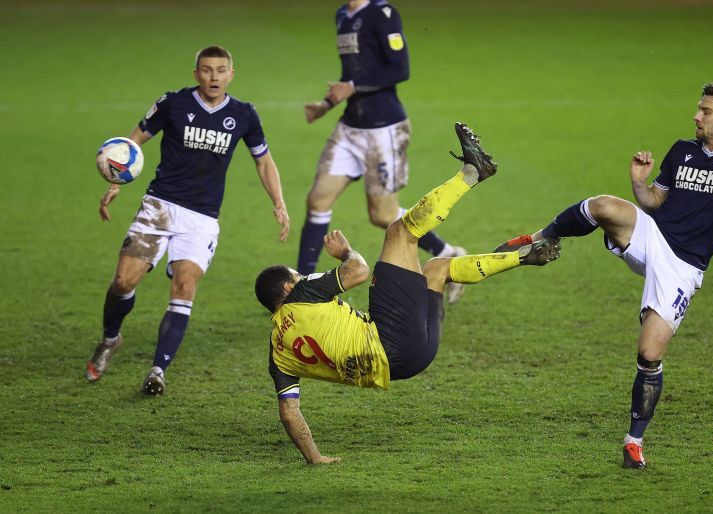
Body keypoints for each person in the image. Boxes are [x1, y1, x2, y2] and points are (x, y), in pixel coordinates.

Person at [495, 83, 713, 468]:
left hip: (683, 266)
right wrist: (637, 183)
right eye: (698, 109)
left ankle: (634, 443)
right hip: (653, 234)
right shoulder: (683, 150)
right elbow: (654, 202)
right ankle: (537, 240)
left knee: (649, 353)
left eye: (706, 111)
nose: (696, 116)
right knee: (602, 205)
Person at [255, 123, 561, 464]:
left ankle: (523, 255)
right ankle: (472, 172)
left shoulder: (277, 353)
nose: (302, 278)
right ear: (287, 287)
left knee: (437, 270)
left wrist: (315, 457)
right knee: (399, 233)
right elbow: (359, 271)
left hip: (413, 360)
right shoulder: (301, 296)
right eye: (297, 276)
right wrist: (344, 254)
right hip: (391, 339)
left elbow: (289, 413)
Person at [85, 45, 291, 396]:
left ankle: (157, 371)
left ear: (230, 75)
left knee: (183, 289)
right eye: (207, 70)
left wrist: (279, 203)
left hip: (202, 218)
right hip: (159, 206)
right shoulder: (173, 103)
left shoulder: (244, 114)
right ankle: (110, 339)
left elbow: (263, 161)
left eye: (221, 70)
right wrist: (115, 183)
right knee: (122, 282)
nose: (214, 76)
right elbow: (131, 143)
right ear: (196, 73)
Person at [300, 0, 469, 304]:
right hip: (350, 127)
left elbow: (399, 68)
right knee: (318, 199)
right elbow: (353, 72)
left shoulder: (382, 13)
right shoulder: (343, 14)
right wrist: (327, 104)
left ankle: (447, 254)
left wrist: (351, 87)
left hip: (384, 130)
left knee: (383, 215)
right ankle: (302, 286)